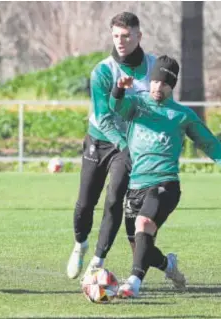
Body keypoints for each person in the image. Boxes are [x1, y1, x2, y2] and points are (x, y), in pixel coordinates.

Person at [103, 55, 221, 298]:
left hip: (165, 184)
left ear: (172, 86)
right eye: (154, 82)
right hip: (136, 185)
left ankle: (132, 284)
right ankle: (168, 266)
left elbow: (209, 143)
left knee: (144, 224)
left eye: (164, 84)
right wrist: (119, 87)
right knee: (141, 245)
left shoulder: (182, 115)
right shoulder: (137, 105)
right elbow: (115, 106)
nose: (157, 87)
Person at [67, 12, 156, 279]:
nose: (120, 41)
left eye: (126, 36)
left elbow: (160, 106)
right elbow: (104, 118)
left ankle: (97, 260)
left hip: (128, 147)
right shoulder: (103, 71)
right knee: (85, 203)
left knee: (115, 199)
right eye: (116, 35)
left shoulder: (154, 67)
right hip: (101, 140)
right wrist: (123, 142)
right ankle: (80, 245)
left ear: (139, 36)